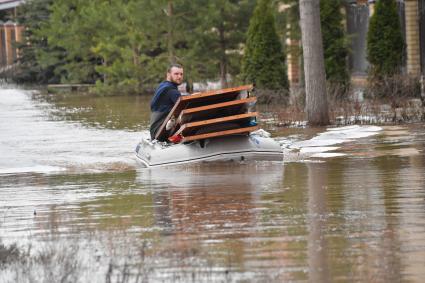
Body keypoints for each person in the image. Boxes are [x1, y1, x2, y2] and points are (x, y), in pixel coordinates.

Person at [150, 63, 184, 141]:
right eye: (176, 74)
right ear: (168, 74)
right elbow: (185, 108)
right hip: (161, 133)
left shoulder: (162, 86)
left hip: (154, 131)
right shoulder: (172, 91)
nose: (179, 76)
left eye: (181, 74)